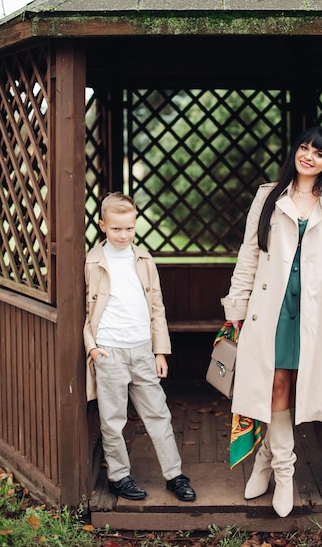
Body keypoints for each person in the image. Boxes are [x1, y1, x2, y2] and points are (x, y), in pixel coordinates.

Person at [222, 126, 322, 518]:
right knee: (274, 386)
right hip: (269, 310)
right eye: (305, 147)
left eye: (319, 153)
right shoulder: (268, 196)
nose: (308, 156)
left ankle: (262, 459)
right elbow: (248, 255)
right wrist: (236, 309)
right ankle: (285, 473)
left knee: (294, 390)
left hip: (309, 315)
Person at [83, 192, 196, 502]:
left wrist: (160, 351)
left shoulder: (144, 260)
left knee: (158, 414)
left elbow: (156, 306)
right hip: (109, 350)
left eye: (130, 228)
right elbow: (84, 309)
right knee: (113, 419)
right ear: (102, 225)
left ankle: (174, 474)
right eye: (117, 228)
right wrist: (92, 348)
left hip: (142, 349)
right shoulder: (92, 262)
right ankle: (119, 476)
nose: (124, 235)